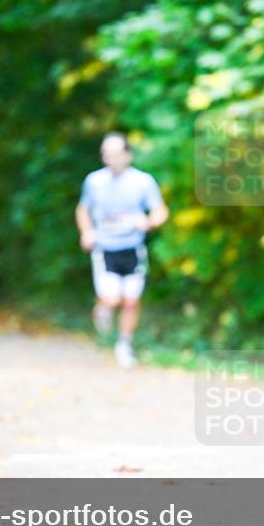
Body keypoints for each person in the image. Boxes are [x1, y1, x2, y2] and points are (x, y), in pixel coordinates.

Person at [75, 132, 168, 368]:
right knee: (113, 298)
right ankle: (103, 307)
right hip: (105, 250)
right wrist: (86, 232)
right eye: (107, 154)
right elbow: (83, 210)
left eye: (116, 153)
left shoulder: (143, 182)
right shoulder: (94, 181)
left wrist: (148, 222)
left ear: (128, 155)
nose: (111, 158)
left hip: (133, 249)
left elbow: (160, 211)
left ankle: (124, 345)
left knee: (131, 302)